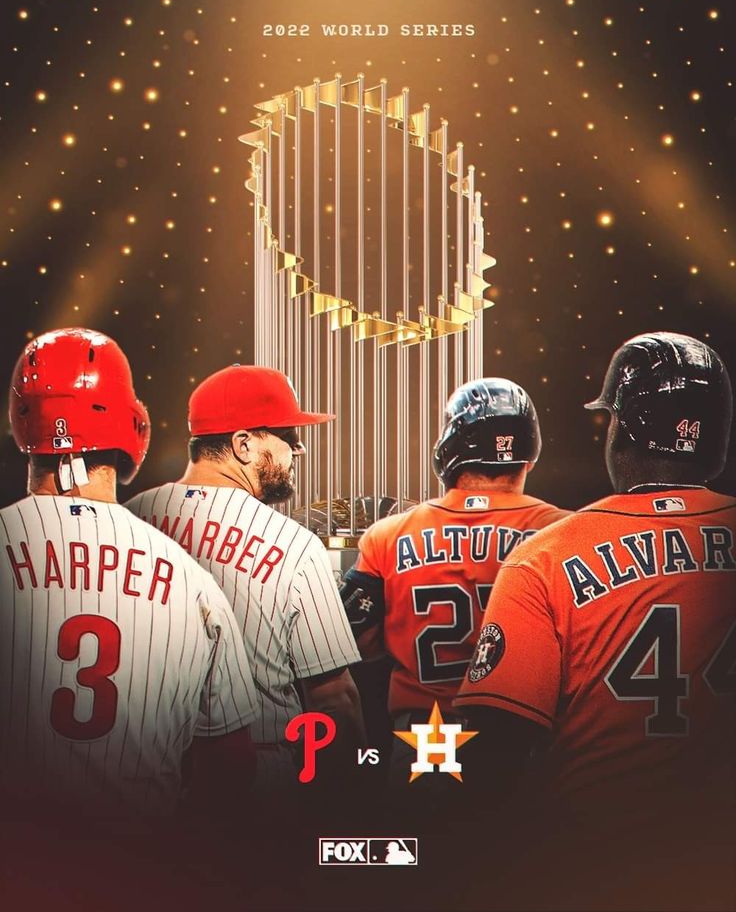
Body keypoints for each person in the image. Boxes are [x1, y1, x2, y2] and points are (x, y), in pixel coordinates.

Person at [455, 332, 736, 910]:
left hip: (601, 858)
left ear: (626, 428)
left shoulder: (544, 556)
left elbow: (493, 757)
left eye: (609, 421)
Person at [0, 328, 259, 818]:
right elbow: (231, 770)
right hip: (135, 872)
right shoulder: (194, 583)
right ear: (130, 424)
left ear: (21, 419)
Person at [126, 364, 365, 789]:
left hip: (144, 775)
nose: (299, 451)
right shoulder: (292, 543)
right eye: (288, 438)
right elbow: (334, 697)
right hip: (257, 779)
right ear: (243, 444)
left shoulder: (130, 519)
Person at [339, 377, 569, 782]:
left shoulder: (388, 535)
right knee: (521, 842)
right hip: (523, 732)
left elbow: (352, 644)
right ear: (529, 457)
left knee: (430, 840)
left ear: (448, 451)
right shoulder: (565, 532)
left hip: (429, 734)